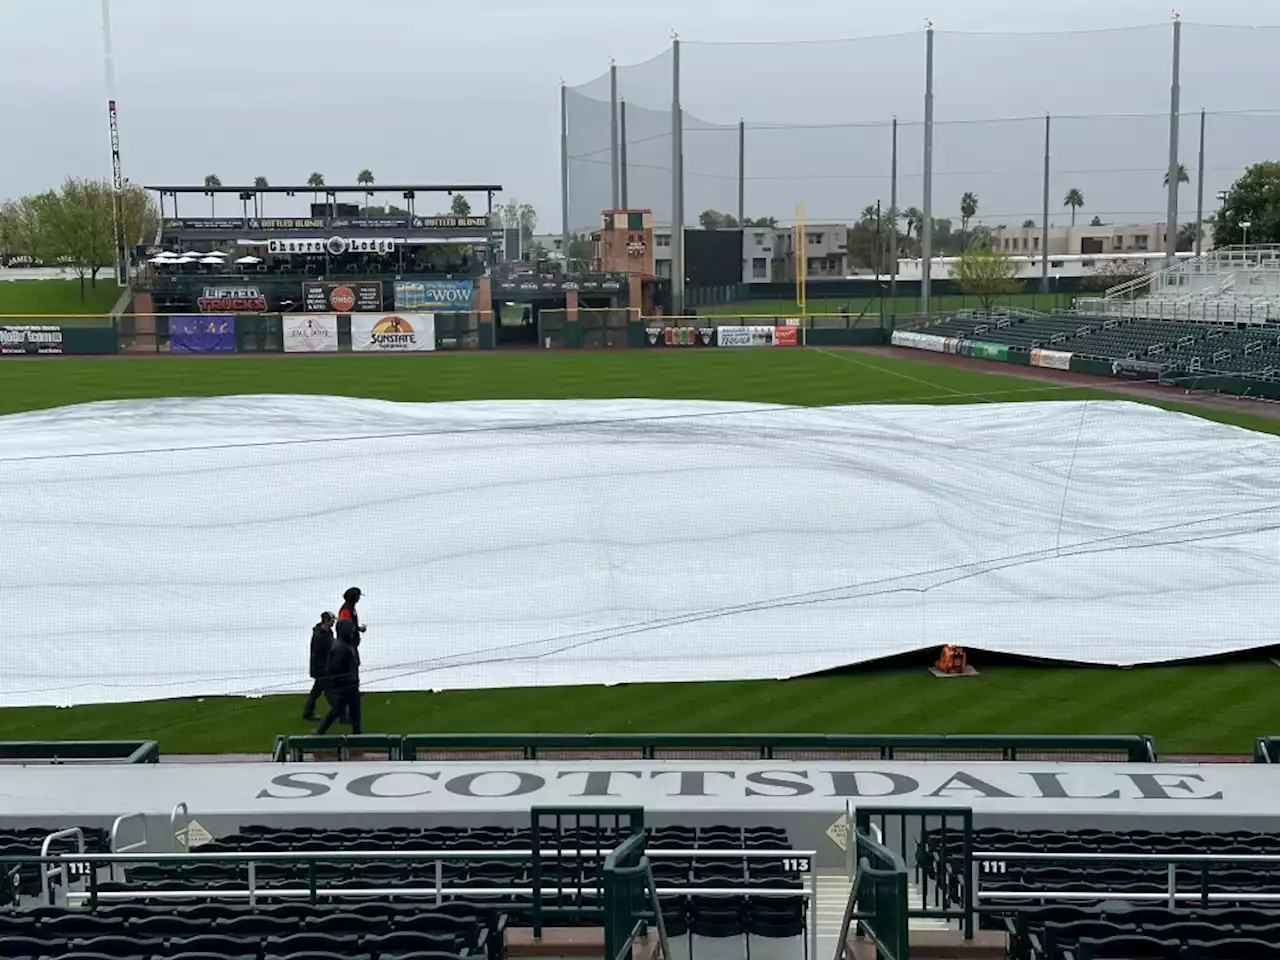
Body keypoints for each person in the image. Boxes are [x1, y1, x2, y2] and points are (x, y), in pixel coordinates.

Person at [316, 617, 361, 734]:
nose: (352, 632)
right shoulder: (341, 647)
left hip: (350, 684)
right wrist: (344, 680)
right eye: (350, 629)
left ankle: (357, 736)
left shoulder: (345, 644)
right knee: (339, 710)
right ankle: (319, 732)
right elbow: (334, 668)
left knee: (351, 711)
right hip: (346, 686)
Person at [302, 612, 335, 721]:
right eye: (332, 620)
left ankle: (308, 712)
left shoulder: (327, 632)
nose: (334, 622)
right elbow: (319, 653)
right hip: (321, 668)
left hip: (323, 667)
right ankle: (338, 711)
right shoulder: (320, 635)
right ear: (327, 621)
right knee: (330, 691)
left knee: (316, 691)